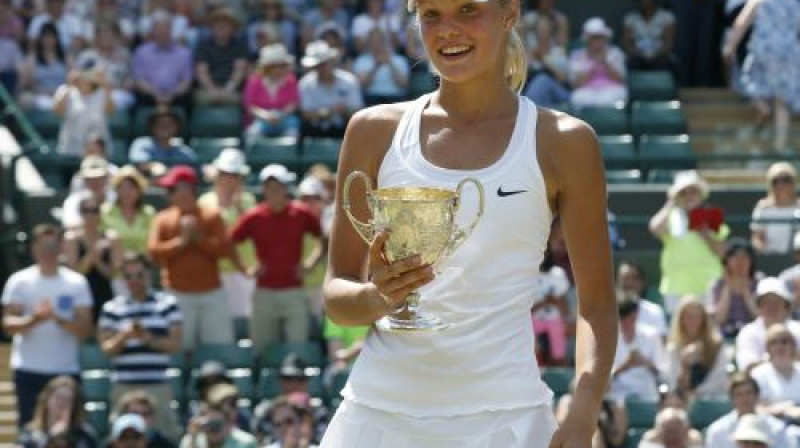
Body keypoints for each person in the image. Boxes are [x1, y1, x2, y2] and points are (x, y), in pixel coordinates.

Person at [320, 0, 618, 445]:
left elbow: (595, 305)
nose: (448, 30)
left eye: (467, 10)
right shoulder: (371, 130)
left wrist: (583, 413)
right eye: (432, 15)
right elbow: (336, 295)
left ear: (509, 13)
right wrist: (377, 298)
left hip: (509, 422)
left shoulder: (566, 142)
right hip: (375, 416)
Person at [2, 224, 94, 427]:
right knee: (29, 430)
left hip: (65, 369)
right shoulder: (19, 281)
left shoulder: (76, 282)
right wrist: (35, 319)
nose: (47, 252)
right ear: (34, 248)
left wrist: (57, 319)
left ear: (61, 247)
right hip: (28, 368)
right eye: (43, 246)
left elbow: (85, 329)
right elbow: (8, 324)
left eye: (52, 246)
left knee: (68, 430)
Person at [231, 164, 325, 356]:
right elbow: (231, 242)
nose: (273, 192)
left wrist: (310, 264)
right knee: (261, 349)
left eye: (278, 187)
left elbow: (322, 239)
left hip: (294, 291)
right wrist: (246, 269)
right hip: (264, 292)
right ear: (263, 190)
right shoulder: (254, 216)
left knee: (298, 348)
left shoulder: (301, 214)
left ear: (285, 188)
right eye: (269, 187)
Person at [148, 165, 234, 352]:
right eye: (168, 190)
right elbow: (153, 252)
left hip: (211, 293)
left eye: (173, 189)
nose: (169, 194)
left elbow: (225, 249)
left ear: (189, 188)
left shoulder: (211, 215)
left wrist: (198, 239)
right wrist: (181, 242)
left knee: (219, 350)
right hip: (177, 294)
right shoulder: (163, 218)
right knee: (178, 350)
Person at [98, 252, 183, 441]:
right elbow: (106, 348)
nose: (134, 281)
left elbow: (175, 344)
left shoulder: (167, 304)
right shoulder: (112, 309)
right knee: (122, 439)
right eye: (128, 276)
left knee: (165, 438)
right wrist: (124, 336)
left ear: (149, 274)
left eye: (139, 275)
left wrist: (149, 339)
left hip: (157, 384)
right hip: (124, 386)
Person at [722, 0, 800, 151]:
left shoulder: (759, 1)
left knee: (748, 81)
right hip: (789, 53)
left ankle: (763, 108)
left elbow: (741, 23)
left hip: (763, 49)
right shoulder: (794, 4)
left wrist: (729, 47)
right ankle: (779, 147)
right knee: (782, 102)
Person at [649, 170, 728, 314]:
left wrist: (705, 233)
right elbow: (655, 228)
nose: (689, 196)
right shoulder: (670, 217)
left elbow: (722, 253)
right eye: (683, 192)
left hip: (707, 286)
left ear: (700, 195)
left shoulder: (713, 216)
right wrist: (671, 204)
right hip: (675, 288)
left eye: (693, 191)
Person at [197, 148, 258, 321]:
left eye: (235, 175)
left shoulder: (248, 200)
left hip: (245, 269)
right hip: (214, 271)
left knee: (245, 318)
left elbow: (252, 232)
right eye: (225, 174)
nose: (230, 179)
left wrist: (239, 206)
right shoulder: (204, 202)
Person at [64, 195, 123, 321]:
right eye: (86, 211)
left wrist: (97, 260)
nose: (91, 215)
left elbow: (112, 273)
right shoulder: (72, 238)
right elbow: (76, 272)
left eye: (94, 211)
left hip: (105, 293)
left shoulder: (111, 238)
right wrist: (94, 253)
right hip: (80, 295)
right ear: (80, 214)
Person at [705, 372, 797, 448]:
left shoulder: (777, 428)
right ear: (732, 399)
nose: (744, 399)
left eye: (748, 393)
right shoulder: (717, 431)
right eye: (739, 394)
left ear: (757, 396)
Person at [665, 299, 730, 398]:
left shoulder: (716, 345)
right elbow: (673, 381)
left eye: (697, 317)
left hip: (711, 398)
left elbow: (719, 377)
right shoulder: (673, 348)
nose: (693, 321)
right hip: (682, 400)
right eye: (688, 316)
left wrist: (698, 392)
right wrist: (685, 362)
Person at [298, 40, 363, 138]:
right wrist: (329, 112)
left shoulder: (349, 81)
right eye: (317, 65)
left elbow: (357, 110)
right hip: (315, 130)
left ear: (332, 61)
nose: (321, 68)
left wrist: (344, 111)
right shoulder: (306, 83)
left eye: (324, 63)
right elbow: (306, 114)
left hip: (344, 129)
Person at [735, 277, 800, 372]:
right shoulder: (748, 332)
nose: (771, 307)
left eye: (776, 302)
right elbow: (748, 367)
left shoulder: (797, 329)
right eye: (766, 302)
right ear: (759, 306)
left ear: (785, 305)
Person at [131, 10, 193, 110]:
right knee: (136, 99)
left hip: (176, 95)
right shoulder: (141, 52)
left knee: (188, 99)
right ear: (153, 30)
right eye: (159, 27)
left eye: (166, 27)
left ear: (171, 29)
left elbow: (186, 81)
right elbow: (139, 80)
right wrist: (155, 94)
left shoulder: (184, 53)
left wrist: (172, 94)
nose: (163, 31)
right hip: (149, 95)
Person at [15, 376, 99, 448]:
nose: (62, 403)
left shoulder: (85, 435)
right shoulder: (29, 435)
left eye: (68, 399)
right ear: (47, 400)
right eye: (58, 397)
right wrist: (51, 439)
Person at [609, 296, 665, 401]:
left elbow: (662, 373)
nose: (625, 323)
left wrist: (645, 362)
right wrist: (626, 365)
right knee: (619, 406)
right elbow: (605, 378)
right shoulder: (609, 337)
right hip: (618, 395)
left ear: (636, 314)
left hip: (647, 394)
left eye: (629, 317)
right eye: (622, 318)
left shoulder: (652, 336)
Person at [52, 63, 114, 156]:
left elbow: (111, 111)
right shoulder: (65, 90)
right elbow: (57, 111)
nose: (86, 77)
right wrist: (69, 84)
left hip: (98, 151)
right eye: (83, 72)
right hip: (71, 150)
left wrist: (104, 83)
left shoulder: (102, 92)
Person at [242, 43, 301, 140]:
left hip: (285, 119)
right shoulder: (254, 81)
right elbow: (250, 107)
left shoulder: (291, 80)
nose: (279, 69)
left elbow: (293, 103)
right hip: (261, 120)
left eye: (282, 65)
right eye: (276, 66)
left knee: (293, 132)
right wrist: (266, 116)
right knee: (252, 134)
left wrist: (280, 115)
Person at [567, 17, 627, 109]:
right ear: (587, 40)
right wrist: (593, 67)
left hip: (611, 90)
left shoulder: (616, 53)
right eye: (595, 38)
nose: (598, 41)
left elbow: (620, 80)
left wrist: (605, 62)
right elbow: (576, 84)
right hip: (587, 92)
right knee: (577, 98)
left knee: (610, 99)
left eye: (601, 37)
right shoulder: (577, 55)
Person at [193, 7, 249, 106]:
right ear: (212, 27)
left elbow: (239, 70)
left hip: (232, 89)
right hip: (208, 88)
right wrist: (212, 90)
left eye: (226, 24)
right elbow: (202, 71)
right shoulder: (204, 45)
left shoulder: (240, 46)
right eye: (217, 24)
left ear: (233, 28)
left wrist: (227, 90)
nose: (221, 26)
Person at [707, 238, 760, 339]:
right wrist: (727, 287)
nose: (740, 262)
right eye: (735, 257)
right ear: (726, 261)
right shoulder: (717, 284)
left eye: (744, 257)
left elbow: (760, 316)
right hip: (724, 335)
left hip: (754, 334)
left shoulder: (760, 282)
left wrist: (746, 292)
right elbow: (719, 319)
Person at [749, 323, 800, 420]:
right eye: (773, 342)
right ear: (768, 348)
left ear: (793, 345)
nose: (779, 346)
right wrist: (783, 410)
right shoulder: (758, 374)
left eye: (784, 341)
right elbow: (752, 408)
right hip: (769, 427)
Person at [102, 166, 156, 256]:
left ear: (139, 190)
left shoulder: (149, 212)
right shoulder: (106, 211)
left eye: (131, 187)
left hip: (144, 265)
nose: (126, 192)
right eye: (122, 187)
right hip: (113, 266)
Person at [352, 27, 410, 106]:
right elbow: (361, 85)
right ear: (368, 43)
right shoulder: (361, 61)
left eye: (379, 41)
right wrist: (375, 66)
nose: (376, 44)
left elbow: (404, 83)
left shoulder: (399, 60)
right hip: (371, 99)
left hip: (395, 99)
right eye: (373, 41)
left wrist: (390, 63)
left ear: (385, 42)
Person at [750, 162, 800, 254]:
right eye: (776, 181)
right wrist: (764, 253)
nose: (781, 184)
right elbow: (757, 238)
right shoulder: (763, 207)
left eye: (786, 180)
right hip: (770, 259)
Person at [522, 15, 570, 108]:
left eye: (545, 29)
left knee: (542, 81)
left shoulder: (557, 50)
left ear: (551, 32)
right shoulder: (529, 52)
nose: (542, 33)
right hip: (534, 93)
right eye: (540, 29)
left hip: (559, 93)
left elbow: (563, 79)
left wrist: (542, 60)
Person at [531, 250, 570, 366]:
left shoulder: (557, 274)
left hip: (555, 320)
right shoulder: (528, 276)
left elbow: (565, 310)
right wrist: (543, 302)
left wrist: (554, 300)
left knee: (559, 350)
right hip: (533, 321)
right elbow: (526, 311)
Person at [18, 22, 69, 110]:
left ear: (56, 38)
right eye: (46, 37)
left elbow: (71, 79)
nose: (49, 40)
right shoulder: (32, 59)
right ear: (41, 39)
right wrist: (42, 91)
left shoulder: (65, 58)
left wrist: (59, 92)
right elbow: (27, 84)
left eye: (51, 37)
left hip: (62, 97)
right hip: (40, 97)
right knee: (25, 98)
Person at [128, 108, 197, 171]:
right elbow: (140, 164)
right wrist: (153, 166)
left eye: (170, 124)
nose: (165, 127)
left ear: (177, 127)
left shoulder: (185, 151)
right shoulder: (141, 143)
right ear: (152, 127)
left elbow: (196, 169)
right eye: (160, 124)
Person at [621, 0, 677, 73]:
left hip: (660, 54)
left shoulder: (666, 16)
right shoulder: (630, 18)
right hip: (637, 55)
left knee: (669, 63)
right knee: (629, 63)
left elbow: (669, 43)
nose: (643, 2)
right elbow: (626, 43)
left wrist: (656, 54)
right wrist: (637, 53)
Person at [180, 402, 257, 448]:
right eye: (210, 424)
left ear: (228, 423)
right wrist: (193, 438)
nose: (213, 430)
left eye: (217, 424)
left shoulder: (245, 442)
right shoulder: (191, 440)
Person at [639, 407, 704, 448]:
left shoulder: (695, 443)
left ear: (686, 431)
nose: (672, 436)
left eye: (675, 431)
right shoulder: (651, 443)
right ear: (658, 432)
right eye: (668, 431)